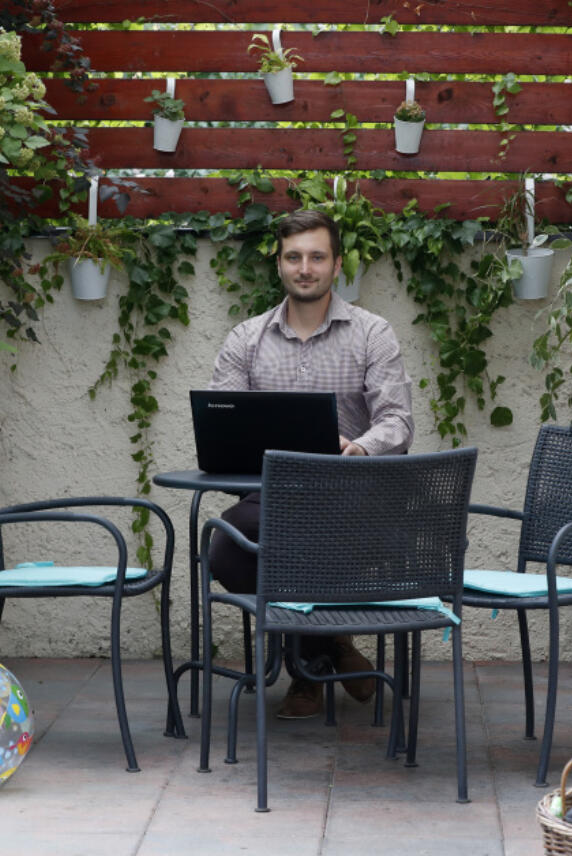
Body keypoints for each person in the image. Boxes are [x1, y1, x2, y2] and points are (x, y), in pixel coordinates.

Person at [208, 209, 415, 719]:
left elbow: (398, 420)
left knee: (305, 544)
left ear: (337, 264)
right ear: (279, 265)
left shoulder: (372, 333)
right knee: (227, 552)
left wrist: (361, 446)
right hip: (272, 494)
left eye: (317, 257)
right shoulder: (246, 339)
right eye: (294, 257)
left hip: (354, 495)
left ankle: (305, 672)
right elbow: (222, 421)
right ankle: (334, 643)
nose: (305, 267)